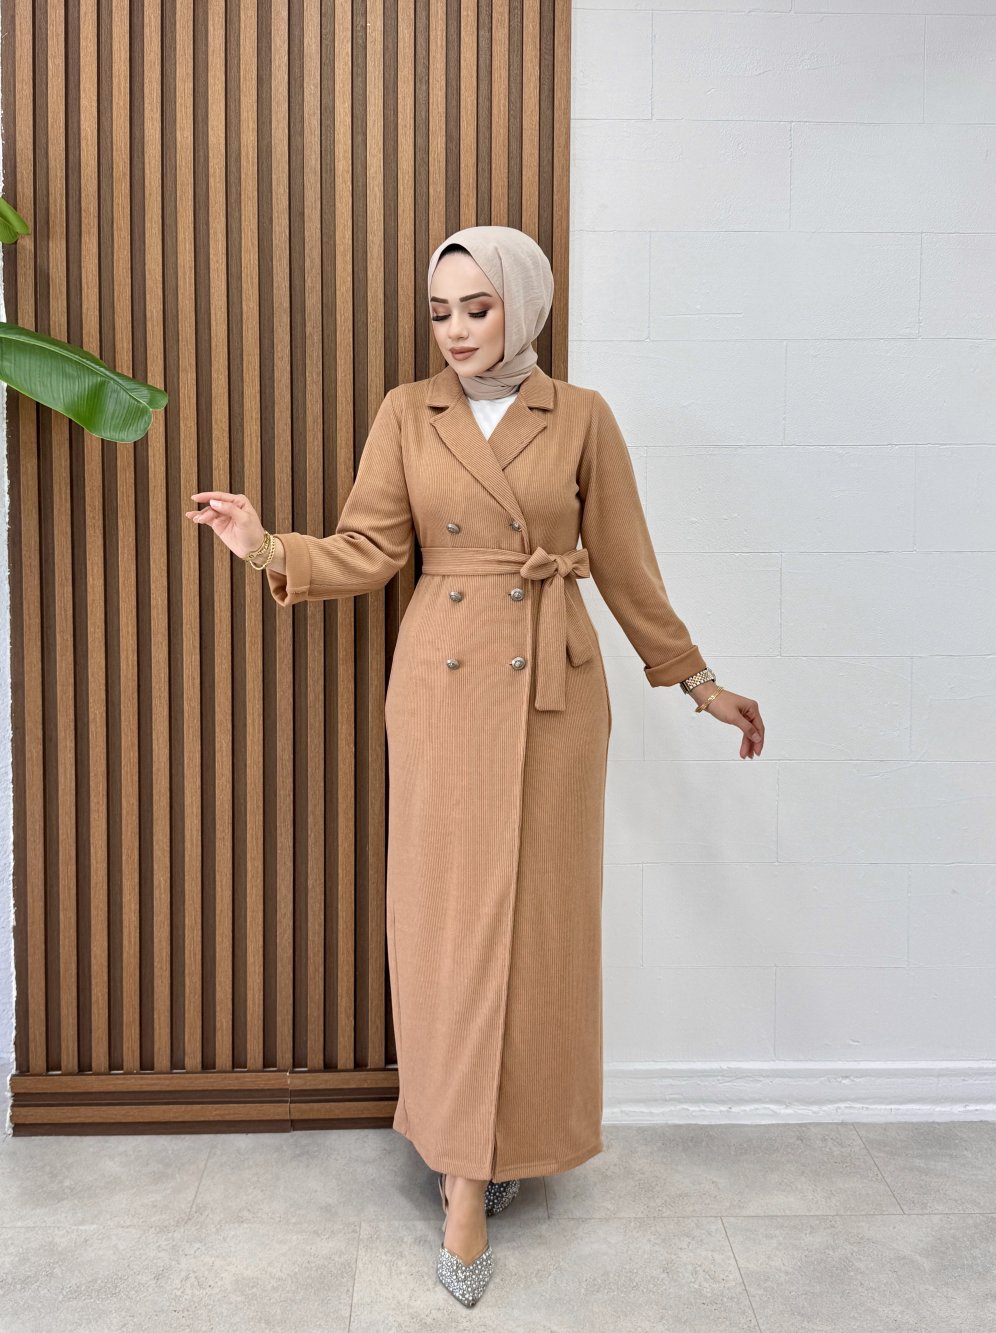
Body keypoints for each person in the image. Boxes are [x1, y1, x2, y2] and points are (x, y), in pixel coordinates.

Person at [185, 224, 765, 1308]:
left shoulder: (580, 415)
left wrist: (698, 681)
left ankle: (512, 1140)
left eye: (478, 307)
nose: (455, 330)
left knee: (541, 927)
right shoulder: (408, 413)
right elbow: (371, 550)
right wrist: (263, 545)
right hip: (446, 687)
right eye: (441, 311)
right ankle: (460, 1170)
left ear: (524, 306)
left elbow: (626, 567)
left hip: (555, 691)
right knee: (446, 925)